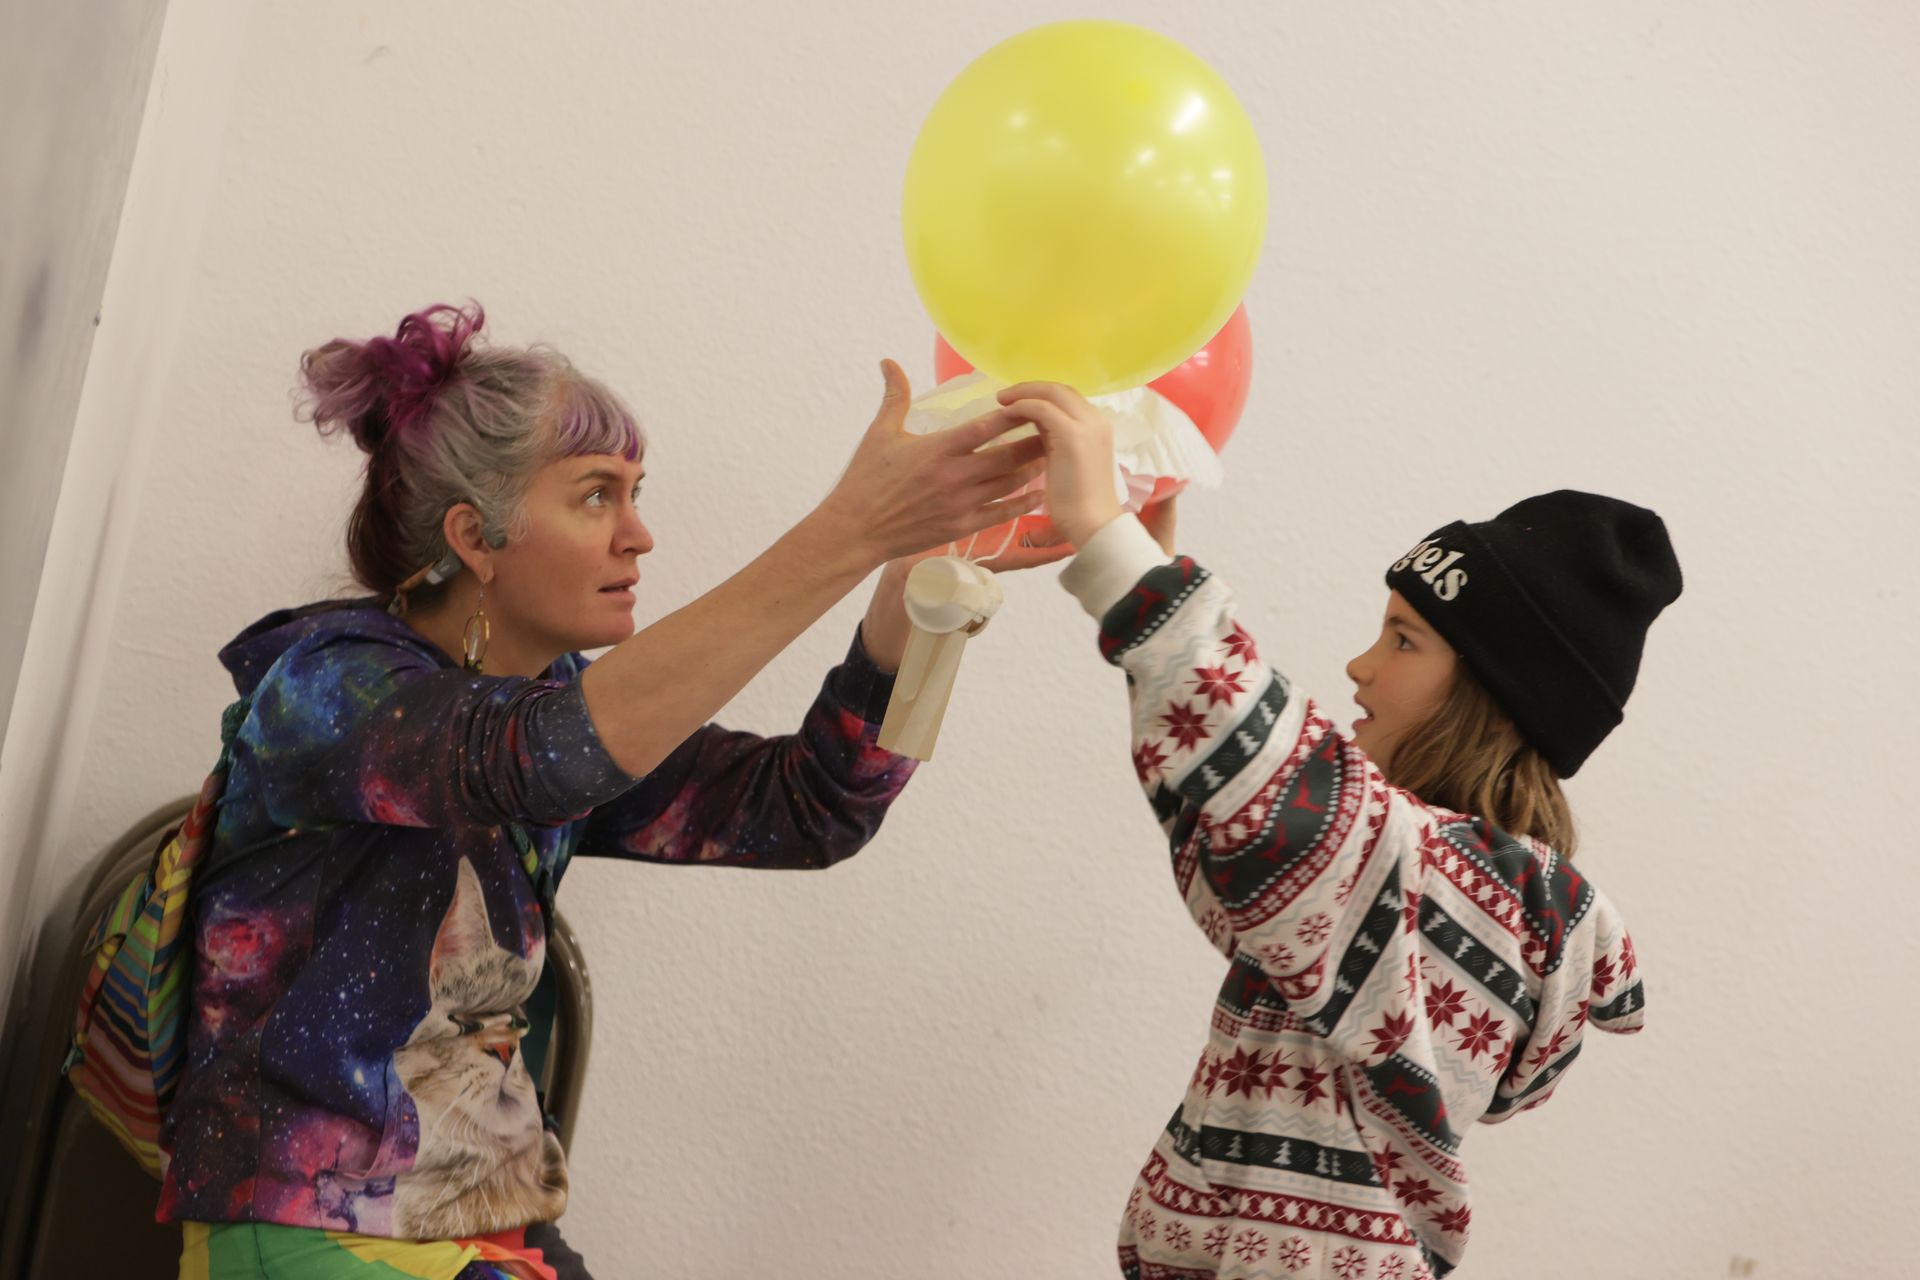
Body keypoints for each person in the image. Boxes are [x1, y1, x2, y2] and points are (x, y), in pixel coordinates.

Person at [159, 302, 1067, 1279]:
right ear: (477, 534)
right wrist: (848, 529)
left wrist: (909, 594)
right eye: (597, 495)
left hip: (489, 1225)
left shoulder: (545, 703)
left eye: (635, 493)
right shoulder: (329, 689)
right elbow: (549, 757)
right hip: (314, 1231)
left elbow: (807, 809)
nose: (638, 534)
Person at [1007, 381, 1680, 1278]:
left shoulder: (1471, 891)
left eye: (1404, 641)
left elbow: (1280, 793)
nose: (1360, 666)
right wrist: (1145, 609)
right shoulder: (1388, 888)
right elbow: (1234, 841)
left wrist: (1115, 549)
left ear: (1491, 694)